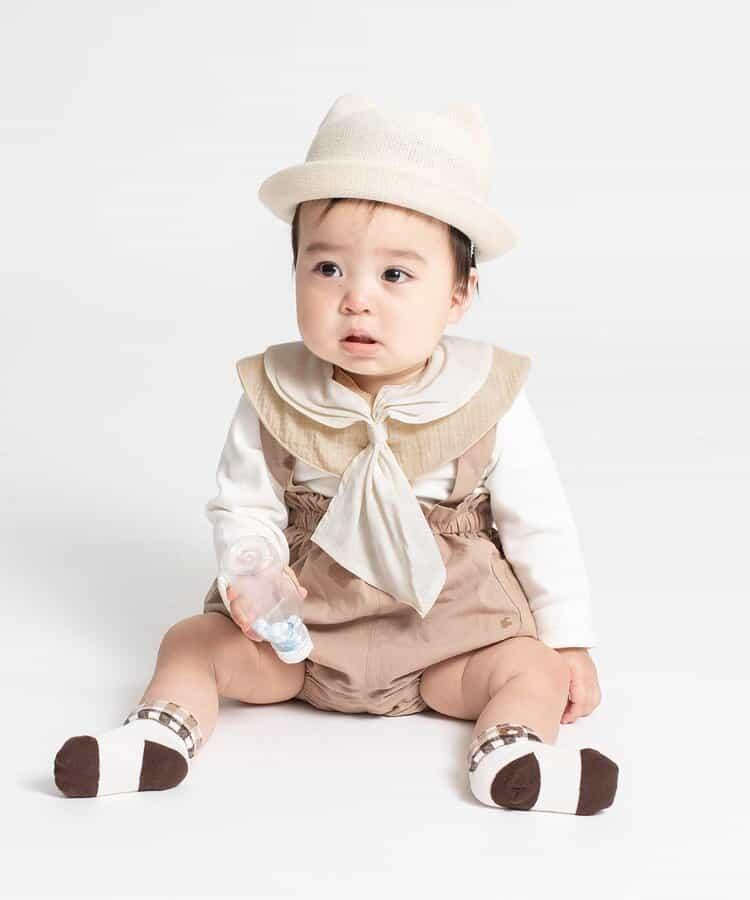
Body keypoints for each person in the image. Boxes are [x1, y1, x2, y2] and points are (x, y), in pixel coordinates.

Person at [54, 93, 618, 815]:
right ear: (293, 272)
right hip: (303, 635)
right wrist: (254, 570)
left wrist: (569, 641)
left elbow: (540, 524)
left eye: (395, 276)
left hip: (448, 633)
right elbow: (244, 502)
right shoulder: (274, 390)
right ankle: (161, 733)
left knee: (529, 666)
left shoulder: (489, 394)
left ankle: (513, 751)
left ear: (459, 294)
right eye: (327, 269)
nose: (356, 300)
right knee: (191, 640)